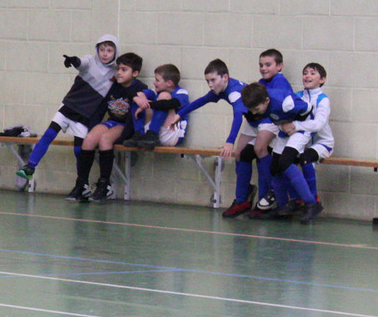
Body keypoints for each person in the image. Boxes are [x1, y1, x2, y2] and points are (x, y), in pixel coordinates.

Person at [14, 36, 117, 189]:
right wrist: (74, 60)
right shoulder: (90, 61)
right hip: (69, 106)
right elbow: (82, 63)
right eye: (102, 49)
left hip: (85, 114)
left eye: (109, 50)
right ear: (97, 50)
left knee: (79, 149)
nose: (105, 53)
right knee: (49, 134)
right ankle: (30, 167)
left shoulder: (115, 72)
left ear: (115, 52)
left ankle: (82, 183)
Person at [239, 83, 323, 223]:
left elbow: (308, 110)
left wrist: (296, 125)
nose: (254, 113)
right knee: (275, 167)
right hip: (285, 128)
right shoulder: (263, 103)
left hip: (302, 128)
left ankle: (311, 203)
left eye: (256, 109)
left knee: (285, 162)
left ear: (267, 101)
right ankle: (283, 206)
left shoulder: (286, 103)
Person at [72, 52, 148, 201]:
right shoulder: (113, 86)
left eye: (124, 69)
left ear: (135, 73)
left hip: (127, 125)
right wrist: (92, 127)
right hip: (112, 121)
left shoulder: (140, 88)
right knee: (89, 139)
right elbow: (100, 109)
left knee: (105, 140)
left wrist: (126, 136)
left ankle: (105, 184)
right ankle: (82, 183)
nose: (119, 72)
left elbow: (137, 115)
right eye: (118, 69)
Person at [178, 60, 250, 217]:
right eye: (207, 81)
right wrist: (179, 114)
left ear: (225, 77)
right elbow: (201, 101)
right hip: (253, 122)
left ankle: (263, 198)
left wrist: (230, 141)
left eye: (213, 80)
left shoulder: (234, 92)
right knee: (240, 155)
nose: (210, 85)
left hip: (265, 121)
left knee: (262, 153)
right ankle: (242, 198)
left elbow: (238, 115)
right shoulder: (221, 89)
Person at [269, 61, 332, 222]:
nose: (307, 76)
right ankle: (295, 201)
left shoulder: (323, 100)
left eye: (312, 73)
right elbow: (284, 115)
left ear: (322, 79)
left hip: (321, 143)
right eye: (305, 73)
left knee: (304, 159)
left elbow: (318, 124)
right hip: (302, 141)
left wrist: (295, 126)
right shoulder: (297, 96)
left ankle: (313, 200)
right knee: (279, 164)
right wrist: (283, 125)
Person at [123, 63, 190, 150]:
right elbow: (131, 93)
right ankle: (139, 133)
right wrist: (139, 100)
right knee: (140, 96)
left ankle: (152, 134)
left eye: (157, 80)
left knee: (164, 96)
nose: (154, 82)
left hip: (172, 135)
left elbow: (171, 104)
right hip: (154, 134)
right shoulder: (155, 91)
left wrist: (147, 105)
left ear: (169, 83)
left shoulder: (181, 92)